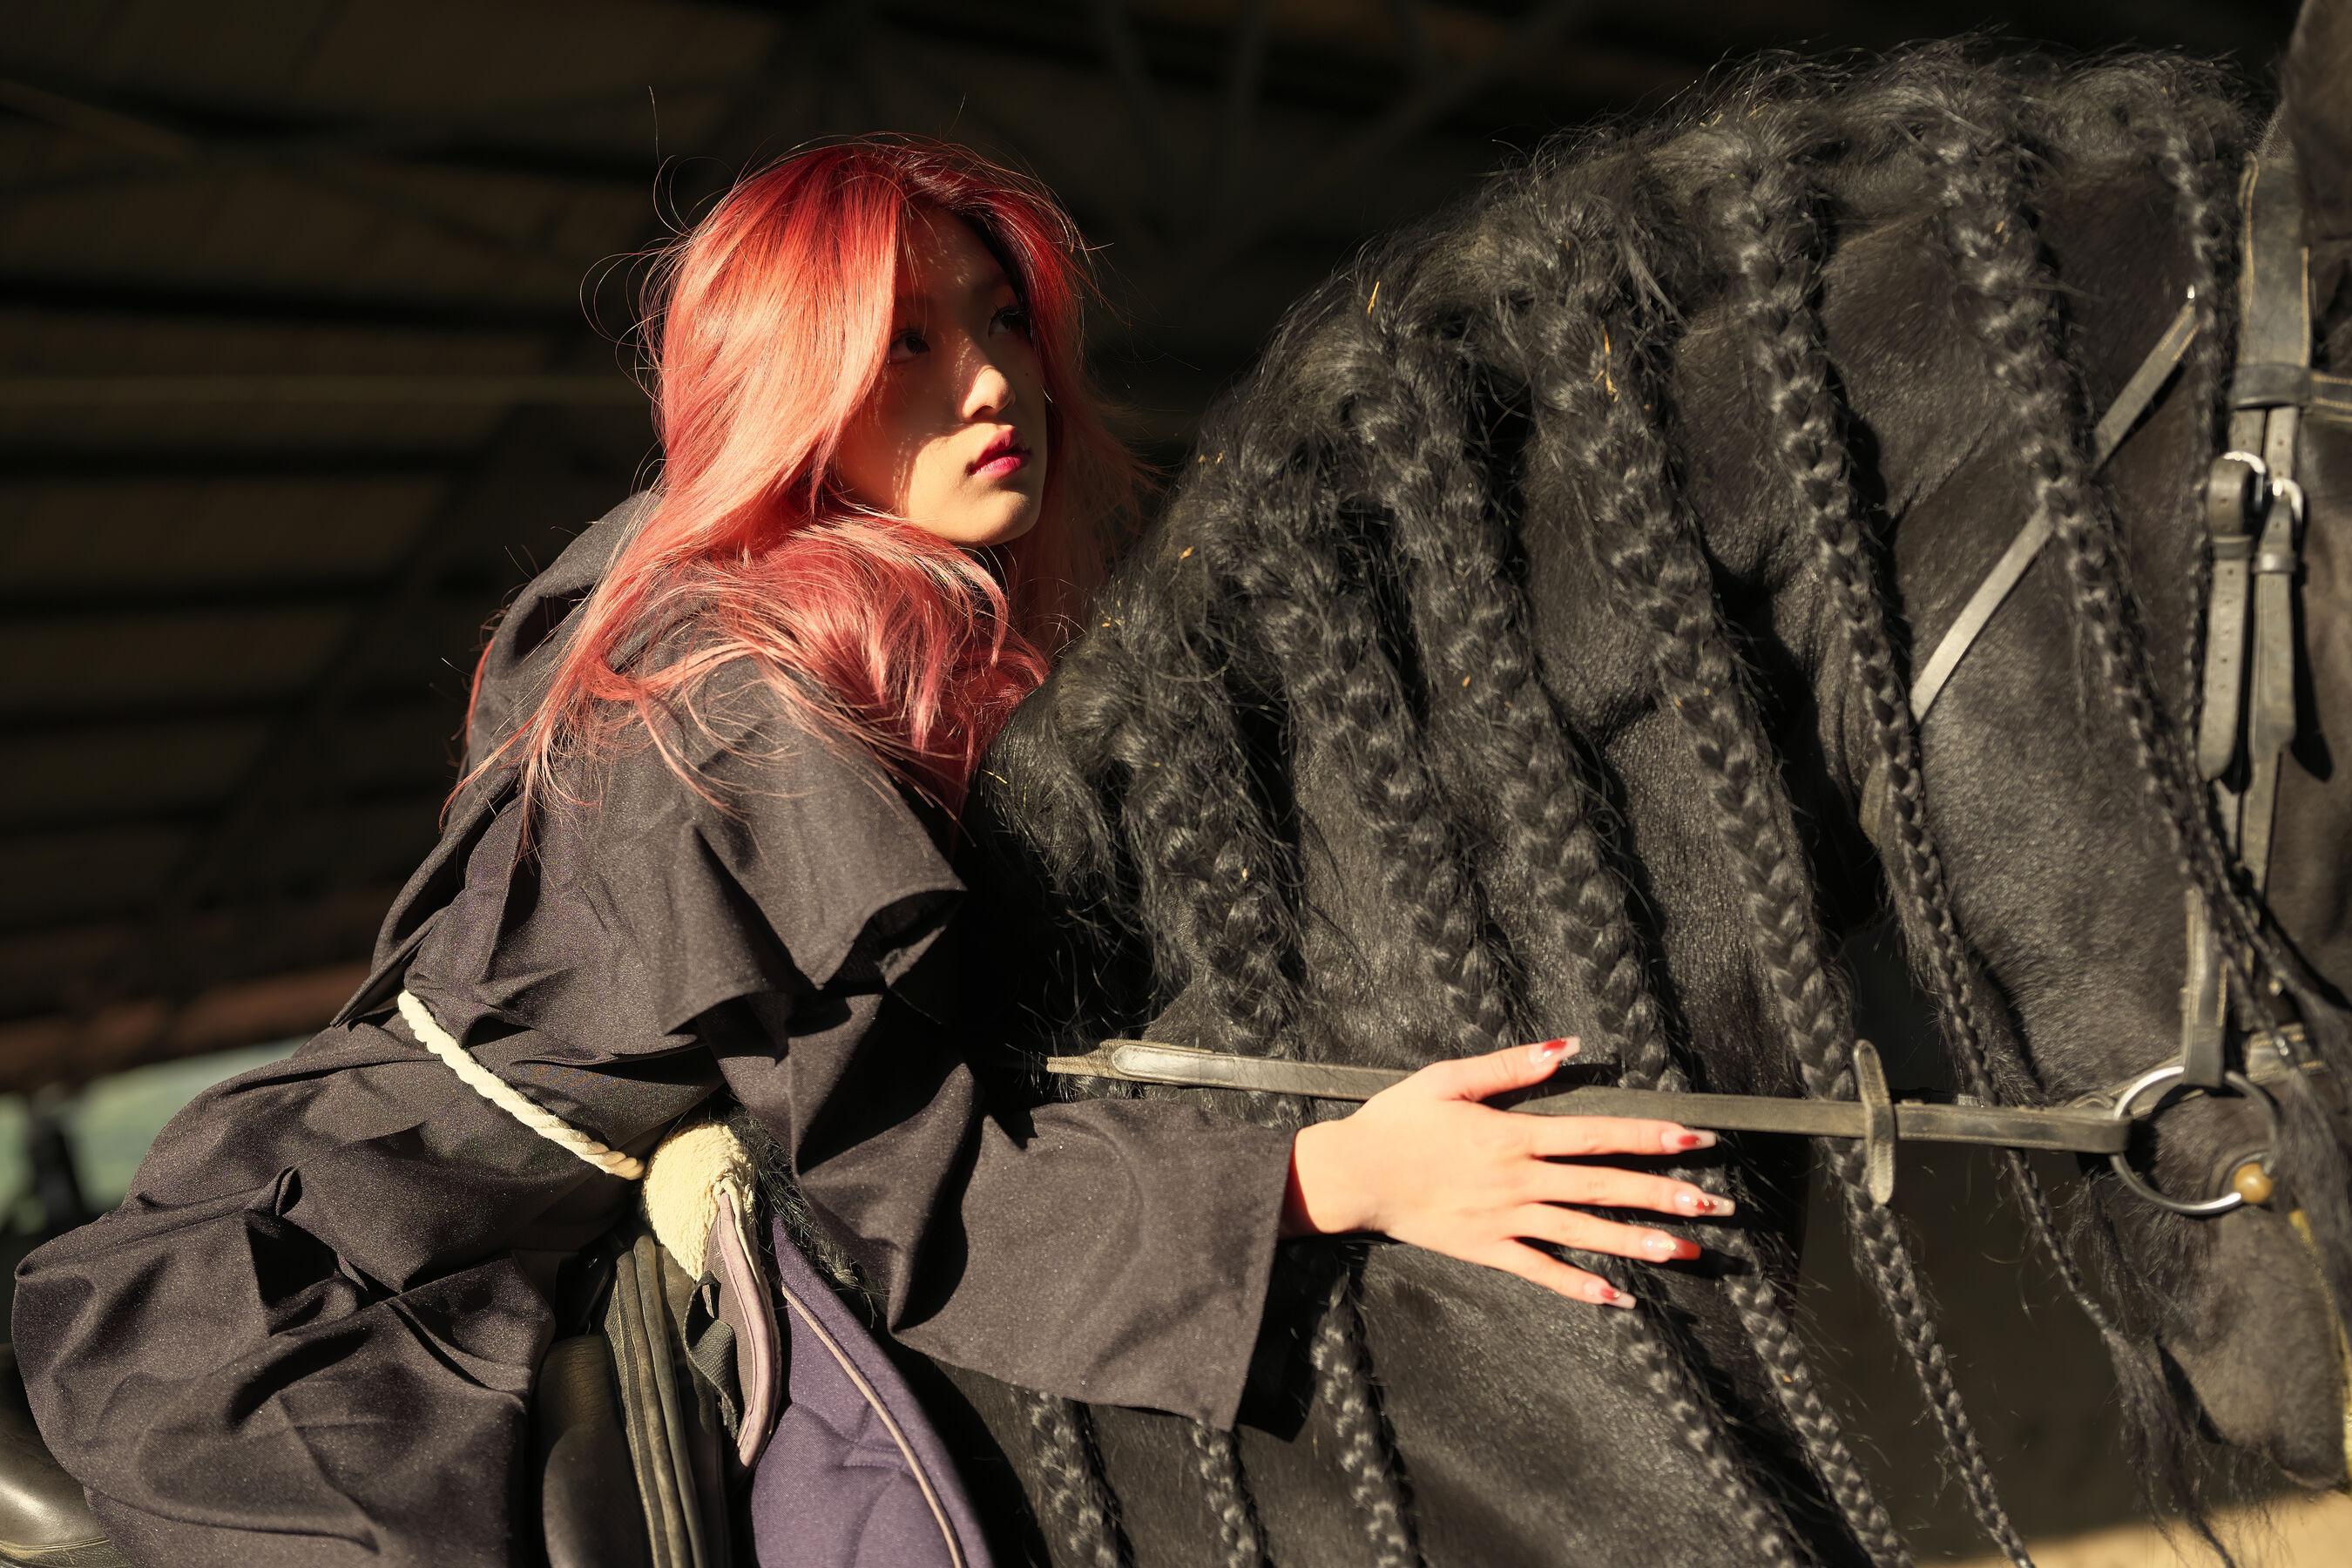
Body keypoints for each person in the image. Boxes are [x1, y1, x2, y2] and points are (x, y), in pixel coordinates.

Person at [10, 135, 1733, 1567]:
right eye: (902, 344)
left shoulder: (794, 625)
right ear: (791, 391)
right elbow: (911, 1199)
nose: (993, 382)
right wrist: (1338, 1177)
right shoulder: (744, 704)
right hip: (347, 1271)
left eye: (999, 319)